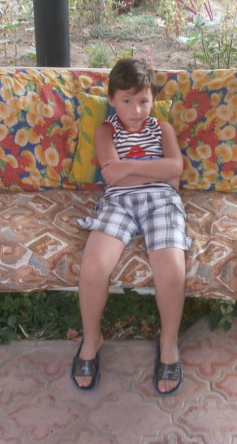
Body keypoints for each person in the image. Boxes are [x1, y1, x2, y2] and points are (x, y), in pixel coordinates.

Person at [71, 57, 190, 397]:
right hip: (119, 202)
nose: (136, 110)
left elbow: (176, 168)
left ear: (153, 100)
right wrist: (154, 172)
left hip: (161, 202)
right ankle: (92, 339)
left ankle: (168, 343)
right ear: (111, 99)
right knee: (94, 266)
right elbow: (113, 176)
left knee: (171, 268)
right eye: (126, 101)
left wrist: (129, 167)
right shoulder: (106, 130)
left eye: (143, 101)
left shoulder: (162, 129)